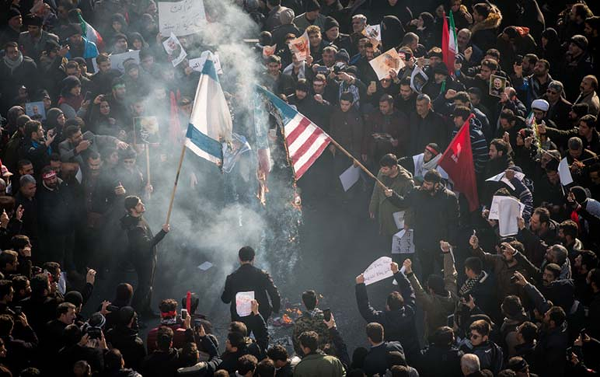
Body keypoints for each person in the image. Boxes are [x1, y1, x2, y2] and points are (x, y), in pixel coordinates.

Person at [355, 262, 419, 364]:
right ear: (402, 303)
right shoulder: (409, 311)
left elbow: (365, 309)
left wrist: (360, 285)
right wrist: (397, 272)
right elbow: (408, 290)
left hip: (394, 357)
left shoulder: (382, 319)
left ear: (388, 306)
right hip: (414, 353)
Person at [119, 196, 170, 319]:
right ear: (132, 209)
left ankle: (146, 310)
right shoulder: (136, 228)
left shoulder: (135, 217)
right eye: (139, 204)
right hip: (143, 260)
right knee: (143, 287)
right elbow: (148, 244)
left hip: (147, 257)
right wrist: (163, 232)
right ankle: (134, 315)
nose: (142, 205)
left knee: (148, 286)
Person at [221, 246, 281, 321]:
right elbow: (274, 293)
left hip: (239, 317)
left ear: (239, 258)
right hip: (260, 314)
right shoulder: (262, 274)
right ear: (253, 258)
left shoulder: (231, 278)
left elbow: (226, 299)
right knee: (261, 331)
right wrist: (275, 309)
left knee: (241, 332)